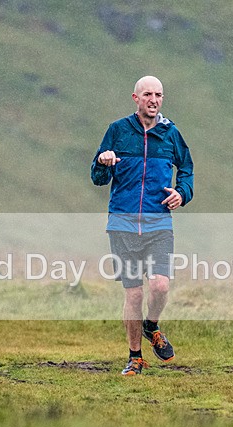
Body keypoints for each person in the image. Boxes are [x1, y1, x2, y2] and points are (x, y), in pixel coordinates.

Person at [91, 75, 194, 375]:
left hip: (158, 224)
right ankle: (134, 356)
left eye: (158, 94)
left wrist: (181, 193)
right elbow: (98, 178)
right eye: (147, 94)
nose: (153, 99)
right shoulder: (118, 131)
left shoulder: (171, 133)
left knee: (160, 286)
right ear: (135, 98)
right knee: (134, 294)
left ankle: (152, 326)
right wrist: (103, 161)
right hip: (122, 225)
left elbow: (186, 169)